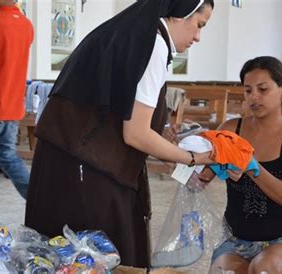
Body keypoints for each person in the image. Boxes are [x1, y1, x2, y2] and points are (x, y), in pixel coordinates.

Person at [24, 0, 214, 268]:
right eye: (199, 25)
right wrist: (192, 158)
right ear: (180, 14)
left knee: (62, 256)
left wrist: (177, 164)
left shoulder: (124, 33)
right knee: (95, 257)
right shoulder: (153, 44)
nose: (198, 37)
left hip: (67, 159)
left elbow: (123, 116)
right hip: (88, 169)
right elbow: (136, 134)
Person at [202, 56, 282, 273]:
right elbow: (200, 179)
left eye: (262, 89)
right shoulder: (231, 129)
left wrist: (251, 167)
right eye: (247, 90)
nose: (254, 97)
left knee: (264, 268)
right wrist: (184, 152)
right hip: (235, 242)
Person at [0, 0, 33, 228]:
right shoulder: (26, 25)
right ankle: (40, 203)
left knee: (6, 157)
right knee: (8, 157)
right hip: (12, 109)